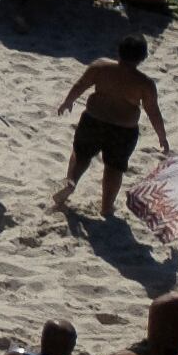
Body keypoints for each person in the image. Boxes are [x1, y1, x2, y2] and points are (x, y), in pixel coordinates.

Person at [59, 35, 169, 219]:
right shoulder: (145, 83)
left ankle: (70, 182)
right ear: (142, 58)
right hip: (122, 130)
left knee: (81, 154)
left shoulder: (100, 67)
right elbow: (153, 112)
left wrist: (68, 101)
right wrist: (161, 136)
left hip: (93, 120)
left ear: (118, 51)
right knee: (114, 168)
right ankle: (106, 207)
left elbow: (81, 85)